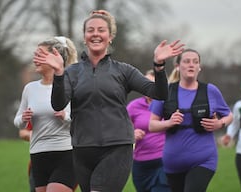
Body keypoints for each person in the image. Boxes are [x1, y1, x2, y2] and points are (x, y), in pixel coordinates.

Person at [33, 9, 184, 192]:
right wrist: (58, 74)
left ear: (110, 36)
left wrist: (159, 66)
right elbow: (58, 104)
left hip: (117, 147)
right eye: (90, 30)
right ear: (84, 37)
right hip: (82, 149)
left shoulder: (123, 71)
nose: (95, 34)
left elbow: (159, 93)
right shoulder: (72, 72)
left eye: (101, 30)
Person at [149, 49, 233, 192]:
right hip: (173, 161)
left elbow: (229, 115)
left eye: (195, 62)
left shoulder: (210, 90)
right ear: (177, 66)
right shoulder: (166, 91)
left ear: (199, 67)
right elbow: (152, 125)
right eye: (186, 61)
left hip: (204, 159)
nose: (191, 65)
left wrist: (220, 123)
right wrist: (168, 122)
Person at [14, 36, 78, 192]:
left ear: (54, 57)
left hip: (66, 152)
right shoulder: (30, 88)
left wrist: (66, 116)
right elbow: (17, 121)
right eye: (35, 54)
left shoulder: (71, 85)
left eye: (40, 54)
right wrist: (23, 118)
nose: (35, 58)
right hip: (38, 154)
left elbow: (83, 119)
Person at [126, 69, 171, 192]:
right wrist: (131, 134)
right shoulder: (134, 106)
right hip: (141, 164)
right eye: (144, 83)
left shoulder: (169, 104)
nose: (147, 87)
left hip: (164, 160)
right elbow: (120, 129)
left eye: (151, 83)